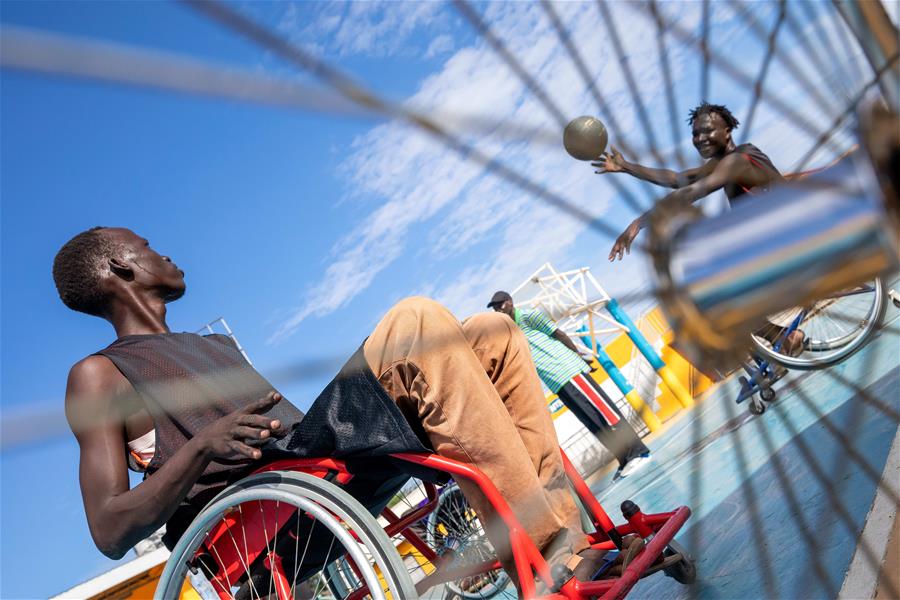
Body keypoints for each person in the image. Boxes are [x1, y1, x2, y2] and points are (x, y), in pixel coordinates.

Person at [55, 226, 615, 592]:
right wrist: (202, 446)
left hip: (319, 464)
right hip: (266, 518)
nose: (166, 253)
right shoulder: (99, 375)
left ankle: (572, 542)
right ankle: (549, 559)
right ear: (119, 266)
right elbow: (109, 529)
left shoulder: (214, 347)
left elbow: (299, 430)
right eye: (148, 245)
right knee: (415, 320)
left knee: (493, 330)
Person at [594, 101, 803, 356]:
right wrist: (626, 166)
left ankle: (781, 336)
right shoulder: (724, 162)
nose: (700, 138)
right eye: (695, 134)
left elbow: (693, 192)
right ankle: (780, 337)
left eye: (707, 131)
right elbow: (677, 180)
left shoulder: (739, 159)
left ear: (727, 131)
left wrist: (638, 223)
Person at [487, 291, 651, 480]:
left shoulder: (528, 316)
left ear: (510, 302)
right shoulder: (511, 331)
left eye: (500, 304)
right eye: (495, 307)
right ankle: (624, 459)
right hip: (557, 383)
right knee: (593, 422)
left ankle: (638, 452)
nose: (498, 309)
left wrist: (578, 356)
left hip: (568, 370)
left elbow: (559, 334)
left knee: (605, 412)